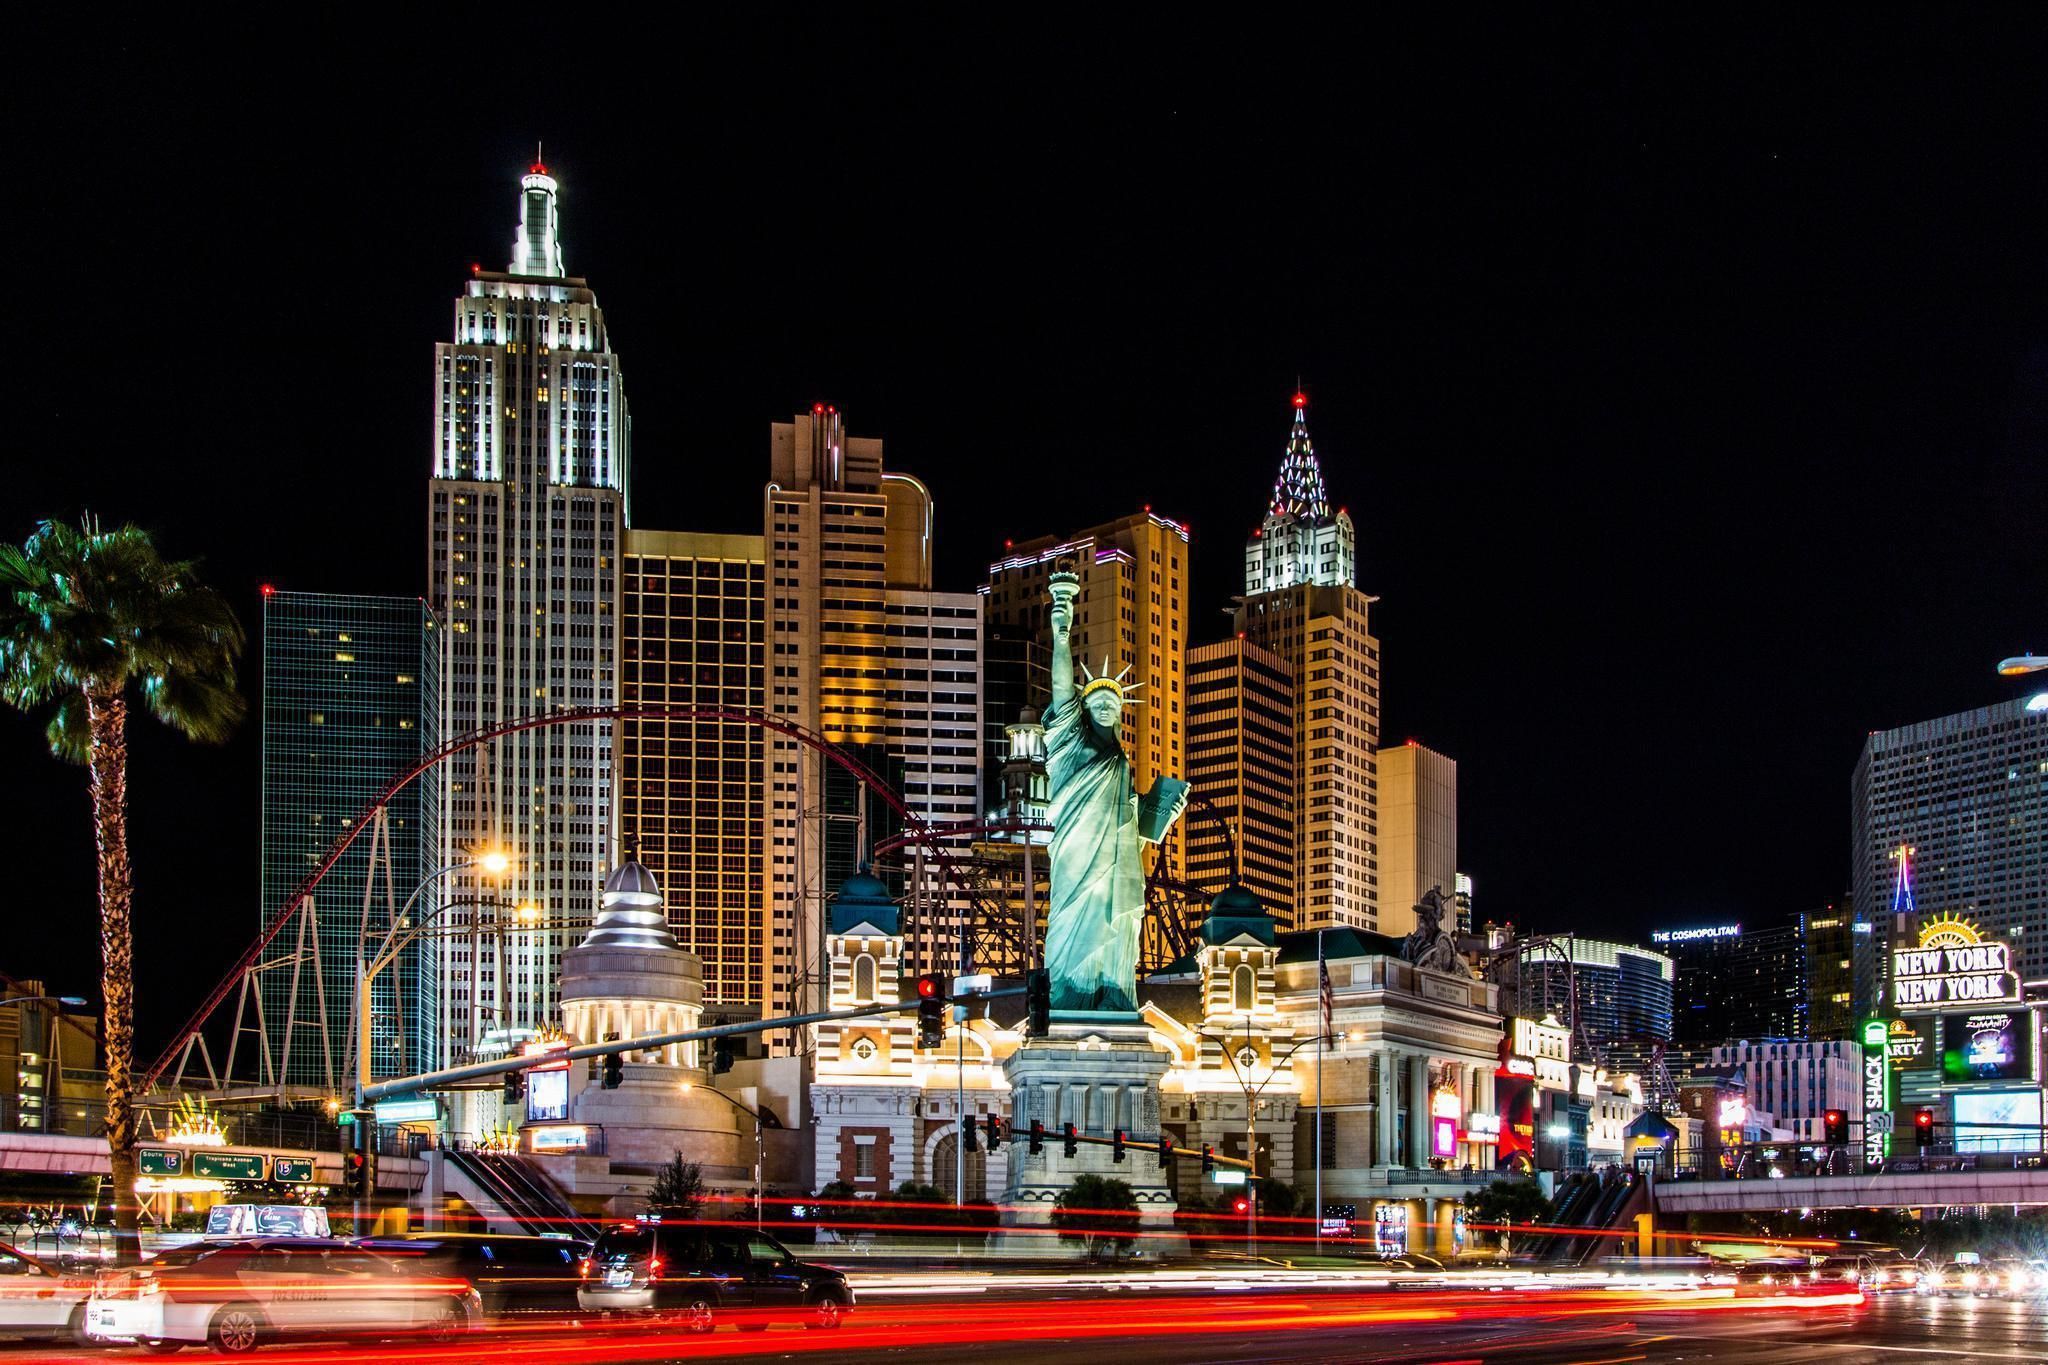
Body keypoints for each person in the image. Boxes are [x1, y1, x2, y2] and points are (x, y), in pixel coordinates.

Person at [1040, 567, 1187, 1013]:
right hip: (1078, 855)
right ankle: (1073, 991)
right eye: (1097, 702)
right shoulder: (1071, 741)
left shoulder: (1120, 761)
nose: (1106, 706)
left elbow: (1131, 818)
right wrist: (1061, 632)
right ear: (1084, 709)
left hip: (1120, 858)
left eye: (1114, 703)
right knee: (1072, 918)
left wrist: (1160, 812)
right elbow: (1062, 687)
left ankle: (1113, 992)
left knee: (1121, 921)